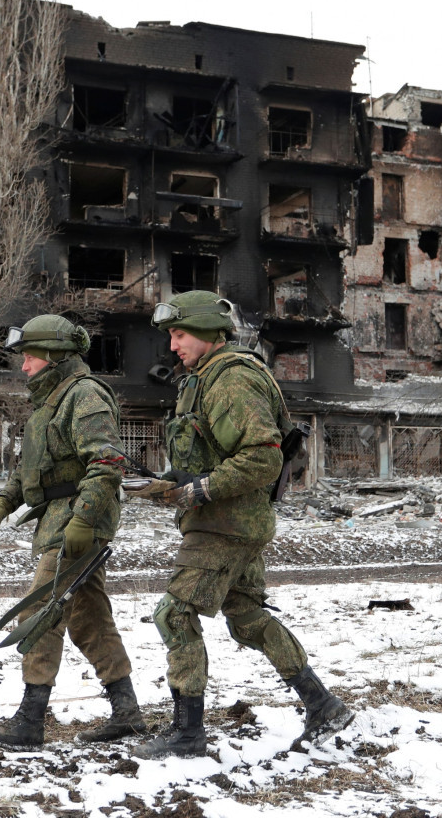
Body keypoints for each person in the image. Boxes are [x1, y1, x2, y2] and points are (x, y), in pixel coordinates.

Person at [130, 291, 352, 758]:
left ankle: (187, 734)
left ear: (210, 331)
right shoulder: (203, 378)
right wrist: (164, 483)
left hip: (225, 524)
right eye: (171, 335)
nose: (173, 346)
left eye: (180, 333)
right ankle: (323, 706)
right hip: (231, 521)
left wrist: (199, 491)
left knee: (174, 614)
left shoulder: (230, 380)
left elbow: (262, 458)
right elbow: (212, 456)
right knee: (248, 620)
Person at [0, 314, 146, 750]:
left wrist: (85, 519)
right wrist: (3, 503)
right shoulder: (49, 401)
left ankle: (30, 721)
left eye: (30, 356)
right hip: (61, 517)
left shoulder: (84, 395)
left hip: (77, 522)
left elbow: (107, 462)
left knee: (39, 615)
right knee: (89, 618)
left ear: (53, 356)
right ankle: (127, 713)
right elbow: (32, 468)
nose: (23, 366)